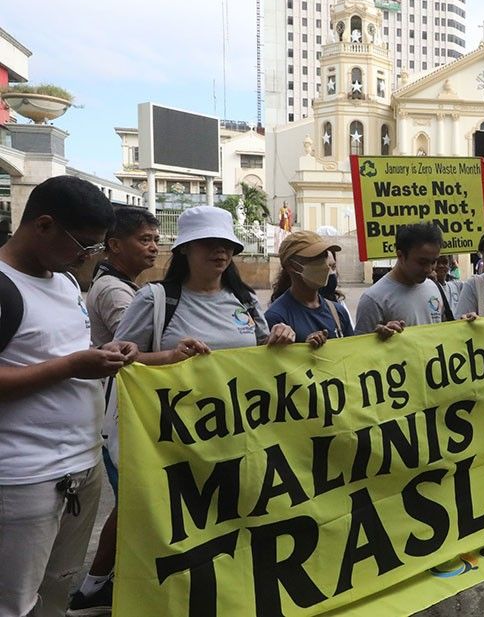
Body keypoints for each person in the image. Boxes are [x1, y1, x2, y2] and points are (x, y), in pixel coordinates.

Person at [0, 176, 138, 617]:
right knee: (15, 599)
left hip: (82, 466)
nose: (89, 257)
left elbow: (64, 353)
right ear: (43, 225)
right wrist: (72, 367)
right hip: (24, 479)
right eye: (85, 244)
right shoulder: (5, 286)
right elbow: (63, 364)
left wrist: (103, 354)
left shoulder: (62, 283)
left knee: (57, 586)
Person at [69, 208, 160, 614]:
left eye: (155, 238)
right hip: (122, 413)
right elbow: (135, 353)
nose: (154, 246)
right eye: (144, 239)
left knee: (134, 504)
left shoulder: (124, 286)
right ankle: (93, 588)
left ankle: (97, 585)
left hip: (125, 410)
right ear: (114, 245)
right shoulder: (117, 293)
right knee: (138, 504)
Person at [114, 205, 295, 366]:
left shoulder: (246, 299)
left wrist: (281, 336)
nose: (220, 250)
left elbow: (262, 351)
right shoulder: (154, 299)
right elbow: (118, 359)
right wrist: (169, 357)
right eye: (208, 242)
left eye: (227, 243)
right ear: (184, 248)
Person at [355, 223, 443, 337]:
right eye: (422, 262)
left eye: (433, 262)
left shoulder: (433, 287)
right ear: (400, 255)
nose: (429, 269)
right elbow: (360, 348)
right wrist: (380, 337)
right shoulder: (373, 299)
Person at [266, 230, 353, 345]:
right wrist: (304, 351)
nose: (324, 265)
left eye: (324, 257)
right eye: (314, 258)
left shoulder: (338, 312)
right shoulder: (277, 317)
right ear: (291, 266)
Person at [432, 254, 462, 321]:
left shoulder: (456, 286)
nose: (441, 266)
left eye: (445, 262)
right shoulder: (427, 287)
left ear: (450, 265)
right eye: (437, 262)